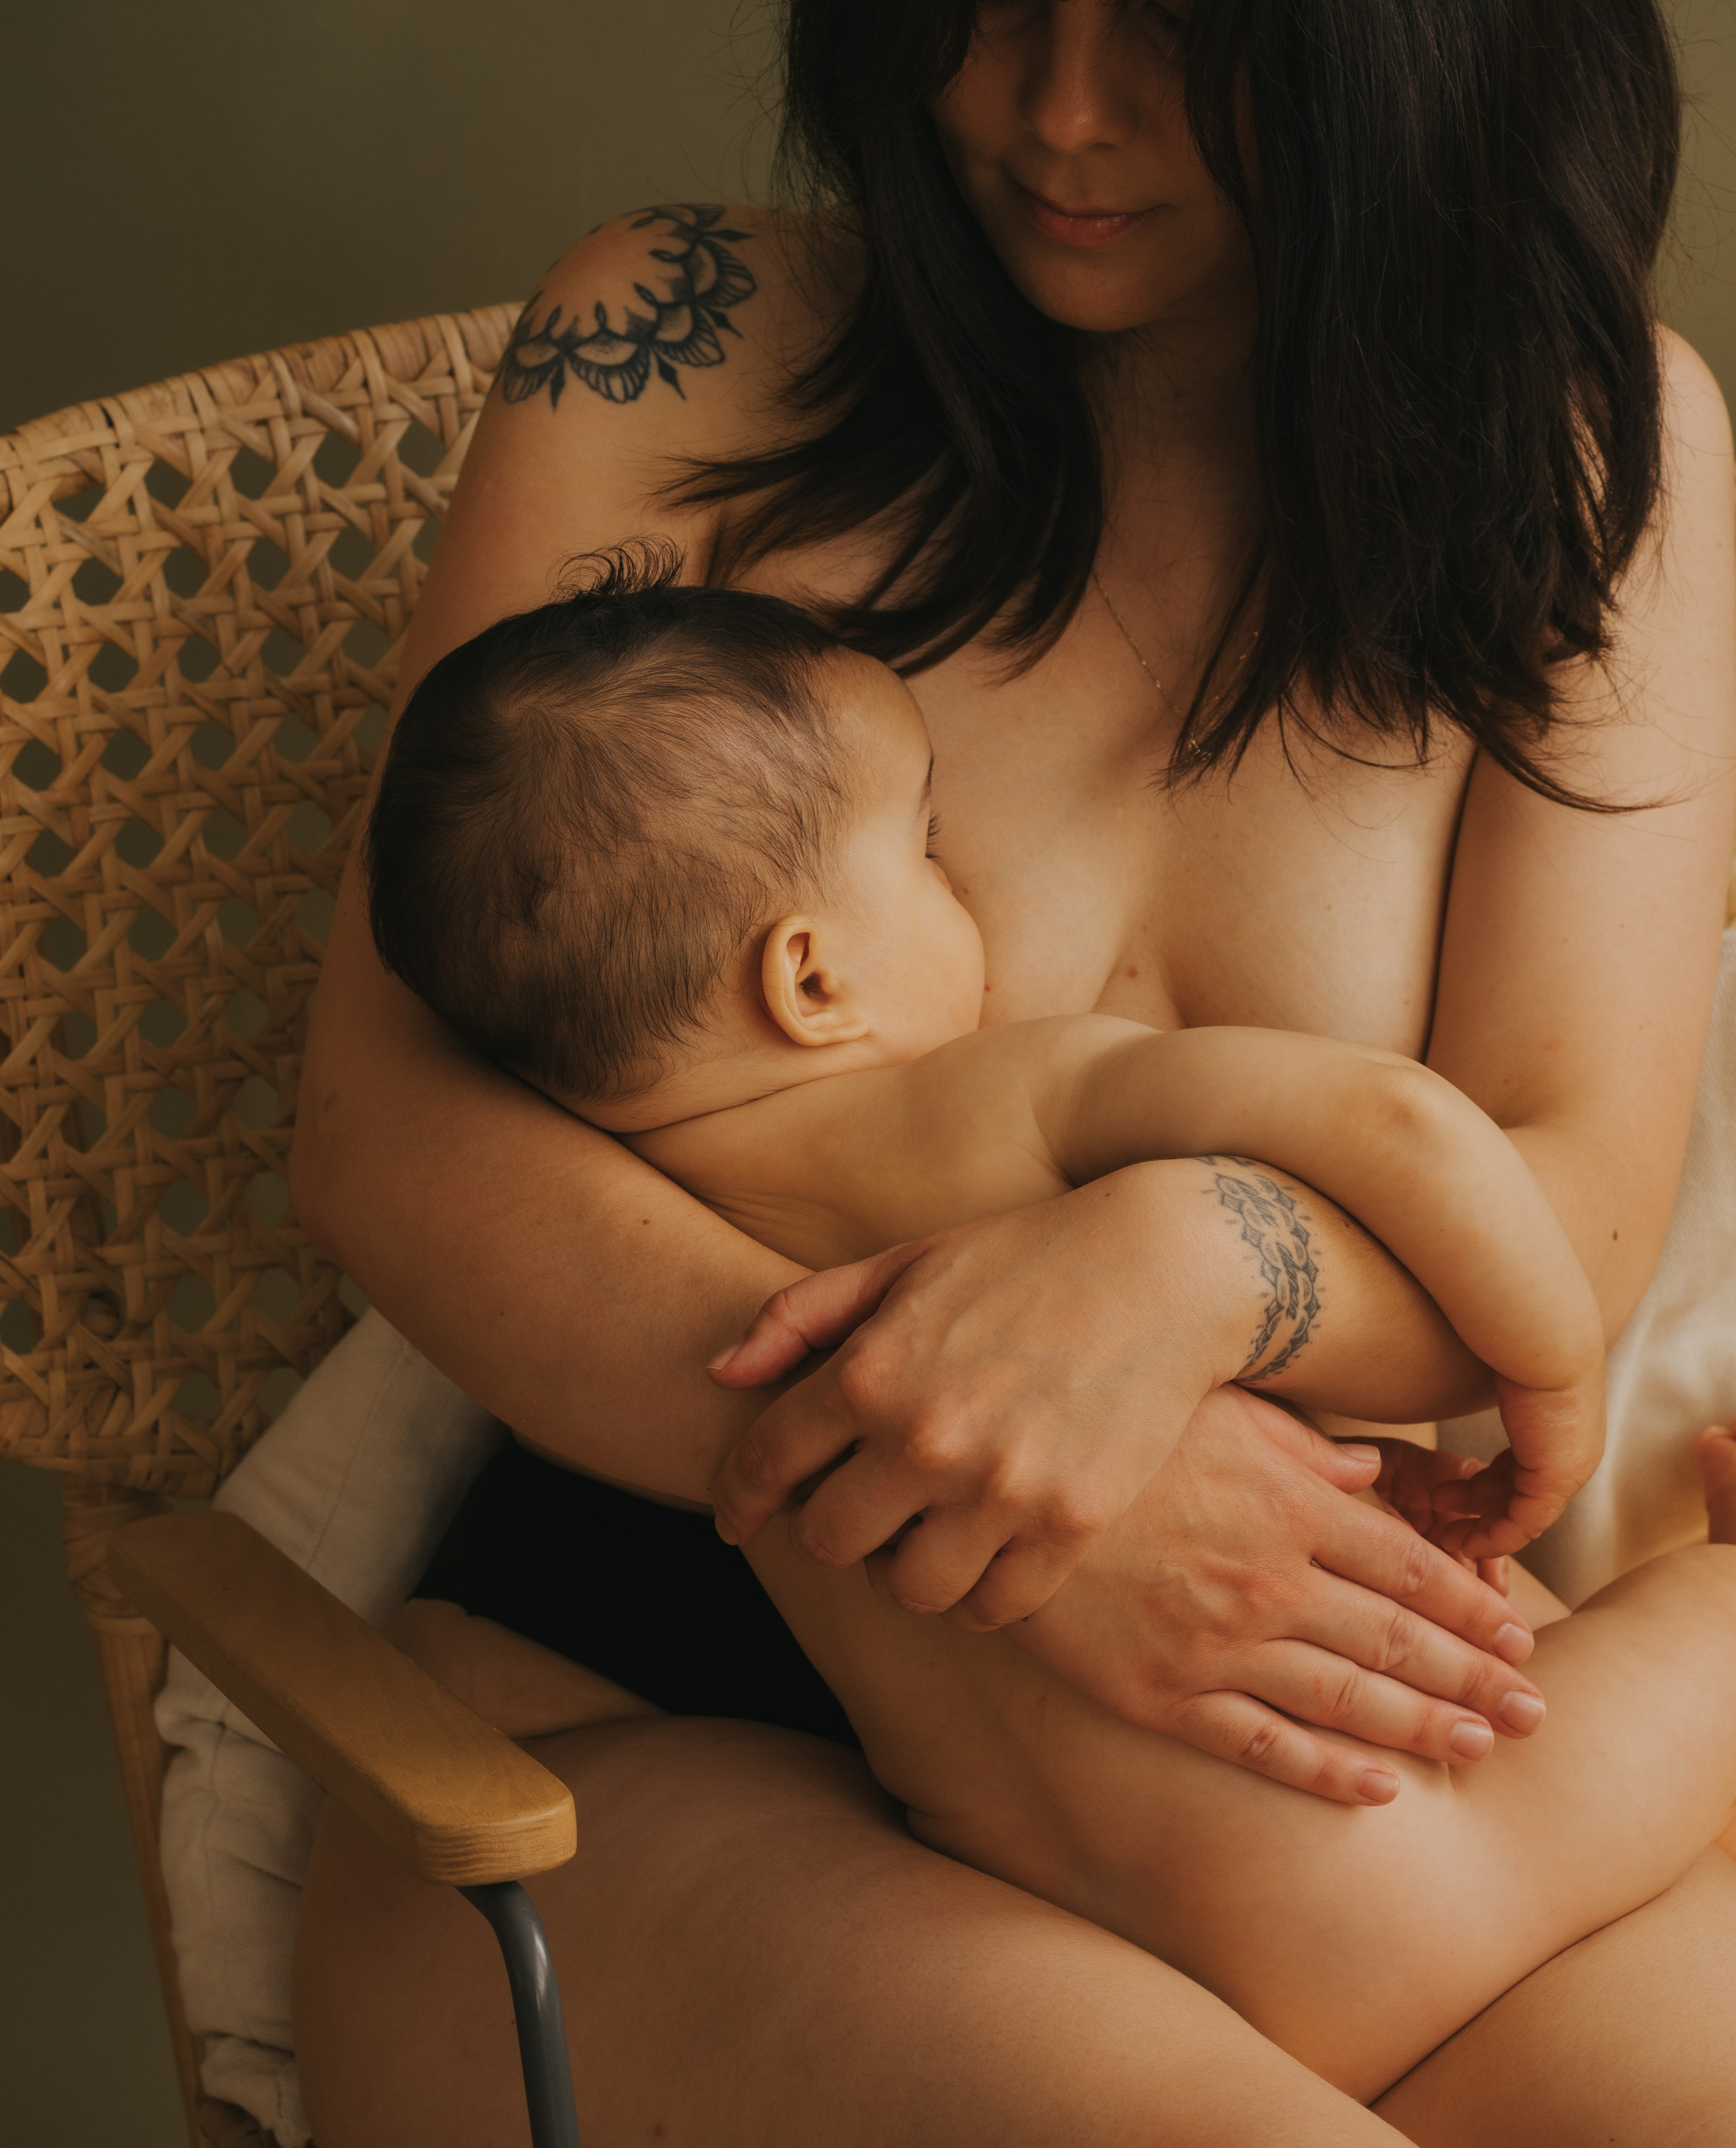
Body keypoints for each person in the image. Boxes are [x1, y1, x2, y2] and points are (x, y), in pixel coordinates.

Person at [289, 0, 1736, 2140]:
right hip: (643, 1720)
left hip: (1291, 1761)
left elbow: (1570, 1204)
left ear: (1412, 12)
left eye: (1179, 19)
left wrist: (1186, 1265)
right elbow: (387, 1130)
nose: (1057, 112)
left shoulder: (1588, 458)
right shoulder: (678, 341)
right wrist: (994, 1492)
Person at [350, 557, 1736, 2108]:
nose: (967, 896)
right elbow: (1396, 1127)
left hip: (1123, 1928)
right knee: (1702, 1630)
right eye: (928, 852)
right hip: (1399, 1862)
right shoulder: (989, 1103)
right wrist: (1547, 1380)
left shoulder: (673, 1268)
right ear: (809, 975)